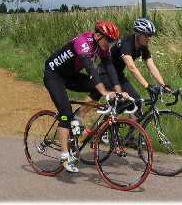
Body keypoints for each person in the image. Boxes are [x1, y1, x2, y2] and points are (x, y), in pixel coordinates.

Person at [43, 20, 129, 173]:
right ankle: (64, 156)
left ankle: (79, 116)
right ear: (97, 35)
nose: (109, 44)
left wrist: (118, 91)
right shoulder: (83, 42)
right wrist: (104, 93)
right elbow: (90, 69)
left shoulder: (102, 47)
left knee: (104, 86)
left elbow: (110, 68)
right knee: (65, 113)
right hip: (54, 75)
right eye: (108, 40)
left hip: (70, 76)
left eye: (112, 41)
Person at [100, 18, 172, 119]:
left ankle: (132, 133)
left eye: (150, 35)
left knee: (137, 102)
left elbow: (151, 65)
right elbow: (131, 67)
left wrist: (163, 85)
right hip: (105, 74)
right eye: (146, 35)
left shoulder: (143, 46)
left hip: (118, 76)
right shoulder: (126, 43)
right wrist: (147, 86)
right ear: (138, 34)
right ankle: (106, 126)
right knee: (123, 102)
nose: (149, 38)